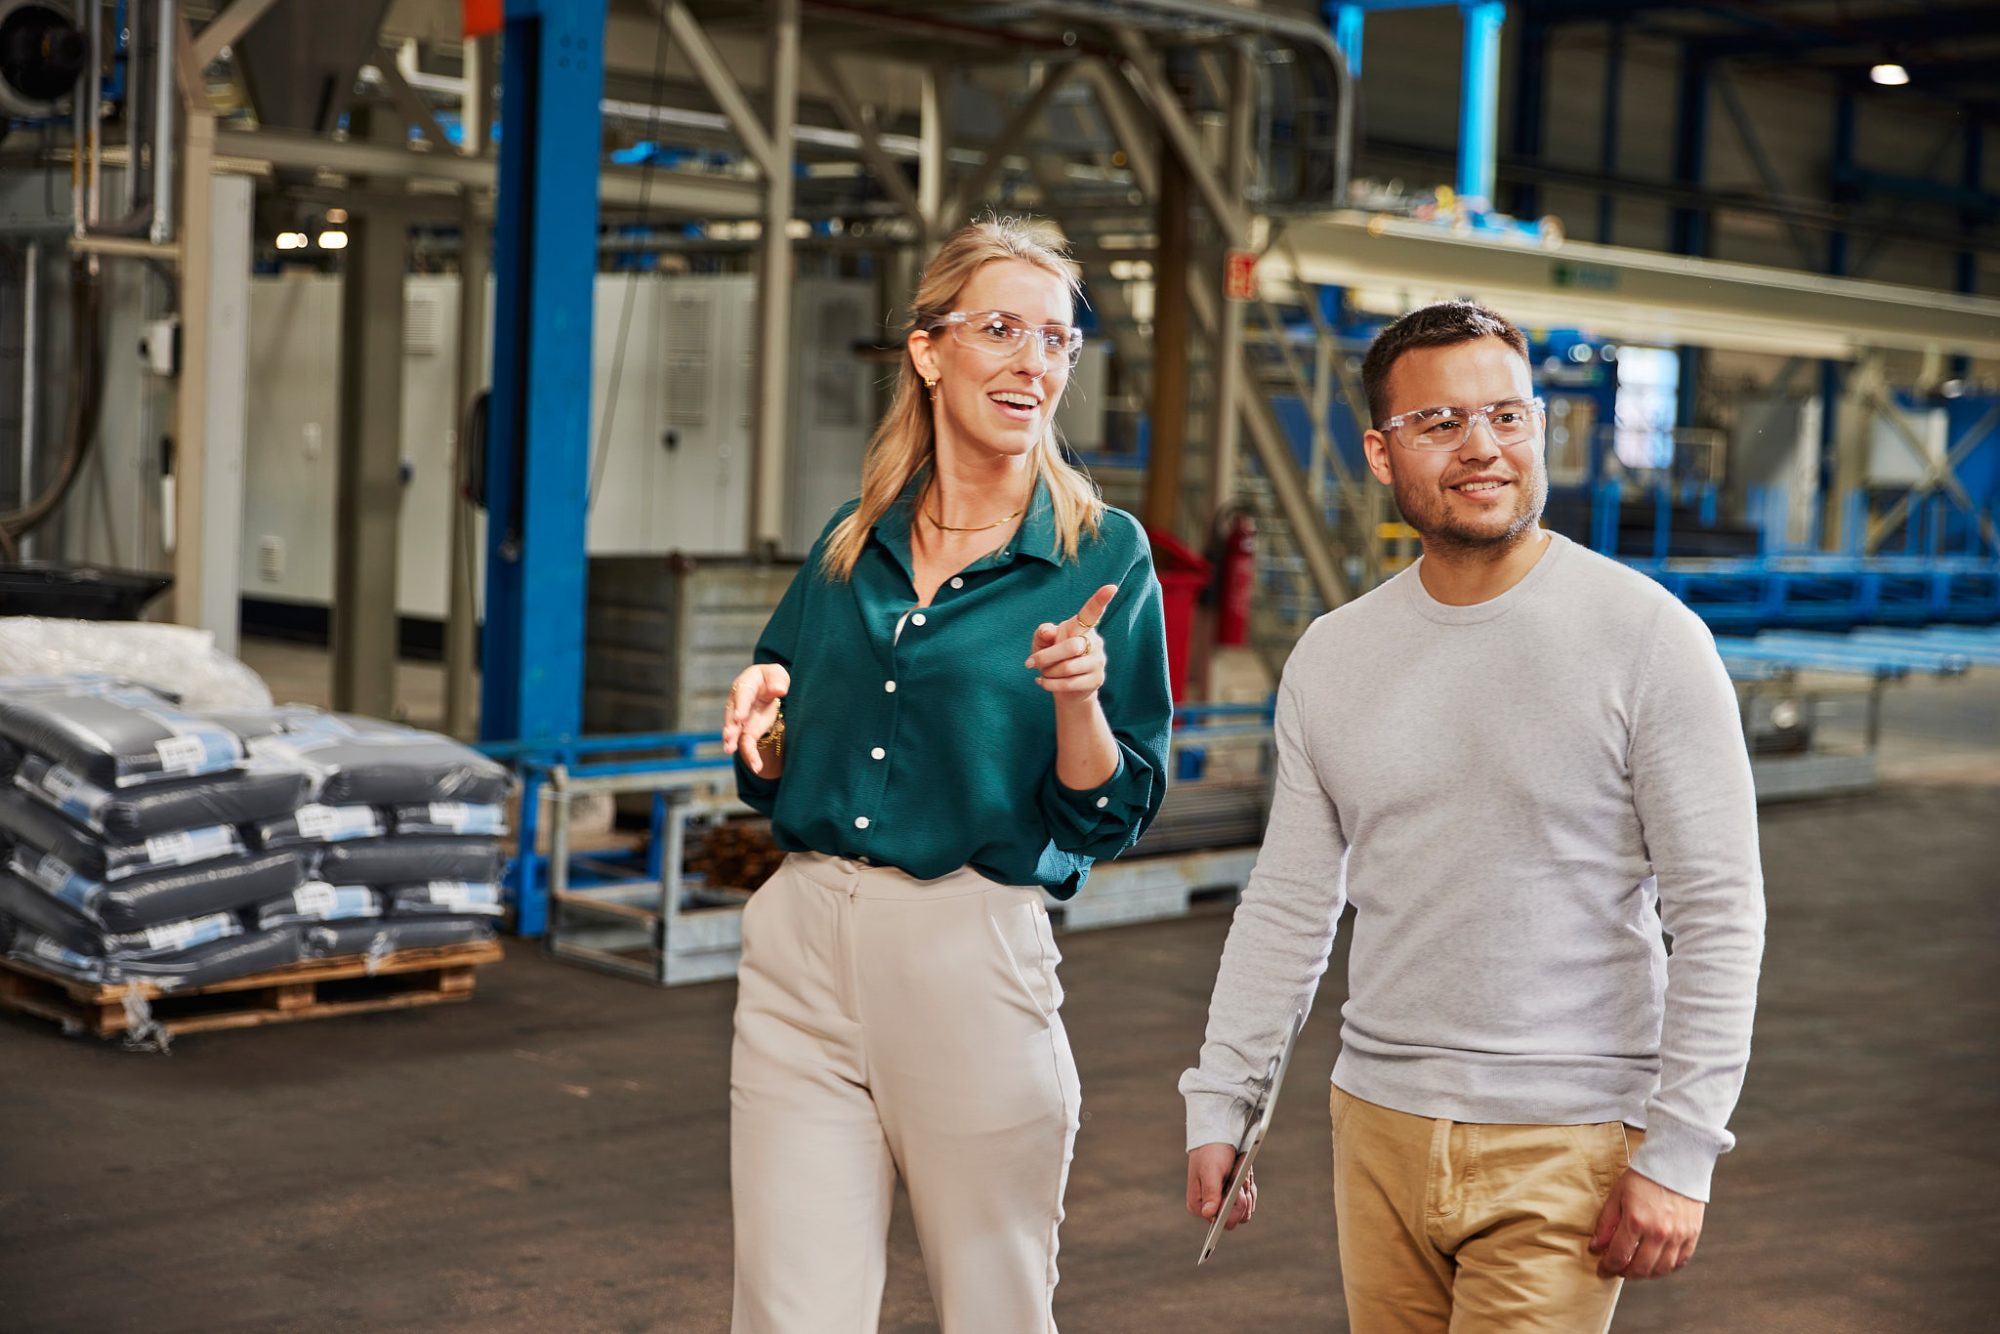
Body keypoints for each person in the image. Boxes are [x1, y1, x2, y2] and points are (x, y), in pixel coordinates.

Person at [1179, 300, 1765, 1332]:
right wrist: (1224, 1097)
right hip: (1376, 1123)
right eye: (1440, 423)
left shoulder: (1644, 637)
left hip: (1567, 1136)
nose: (1482, 447)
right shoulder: (1332, 652)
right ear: (1379, 449)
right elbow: (1289, 899)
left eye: (1506, 414)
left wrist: (1681, 1147)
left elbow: (1716, 909)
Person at [723, 217, 1173, 1334]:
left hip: (965, 947)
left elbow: (1106, 810)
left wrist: (1077, 697)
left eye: (1057, 340)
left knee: (993, 1306)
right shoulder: (852, 535)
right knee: (789, 1313)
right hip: (800, 945)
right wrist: (760, 711)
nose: (1033, 363)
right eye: (1001, 330)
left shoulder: (1098, 551)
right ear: (928, 351)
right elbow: (778, 737)